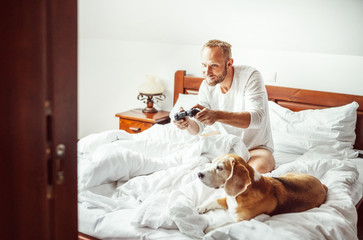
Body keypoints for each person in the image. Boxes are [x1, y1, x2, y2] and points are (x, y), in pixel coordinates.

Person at [174, 39, 275, 174]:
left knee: (255, 171)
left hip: (255, 149)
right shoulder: (207, 85)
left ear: (229, 63)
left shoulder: (250, 77)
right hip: (226, 147)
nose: (207, 72)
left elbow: (257, 119)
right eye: (204, 65)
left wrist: (217, 116)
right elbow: (198, 128)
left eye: (214, 65)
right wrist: (187, 124)